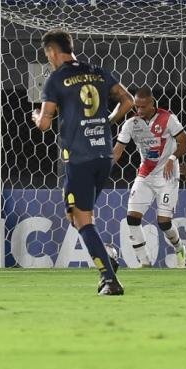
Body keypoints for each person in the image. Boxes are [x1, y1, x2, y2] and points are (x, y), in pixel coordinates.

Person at [31, 29, 134, 295]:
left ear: (52, 52)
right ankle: (106, 255)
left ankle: (109, 278)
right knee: (77, 213)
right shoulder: (98, 72)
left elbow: (44, 124)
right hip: (104, 156)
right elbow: (128, 101)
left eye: (48, 55)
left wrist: (35, 117)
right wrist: (107, 121)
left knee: (81, 218)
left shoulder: (55, 79)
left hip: (79, 158)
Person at [112, 87, 186, 267]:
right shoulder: (131, 124)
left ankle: (180, 250)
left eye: (143, 107)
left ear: (152, 103)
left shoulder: (168, 119)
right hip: (145, 175)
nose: (139, 110)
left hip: (167, 176)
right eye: (137, 107)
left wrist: (172, 157)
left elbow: (185, 141)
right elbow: (116, 153)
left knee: (164, 223)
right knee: (132, 218)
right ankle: (145, 263)